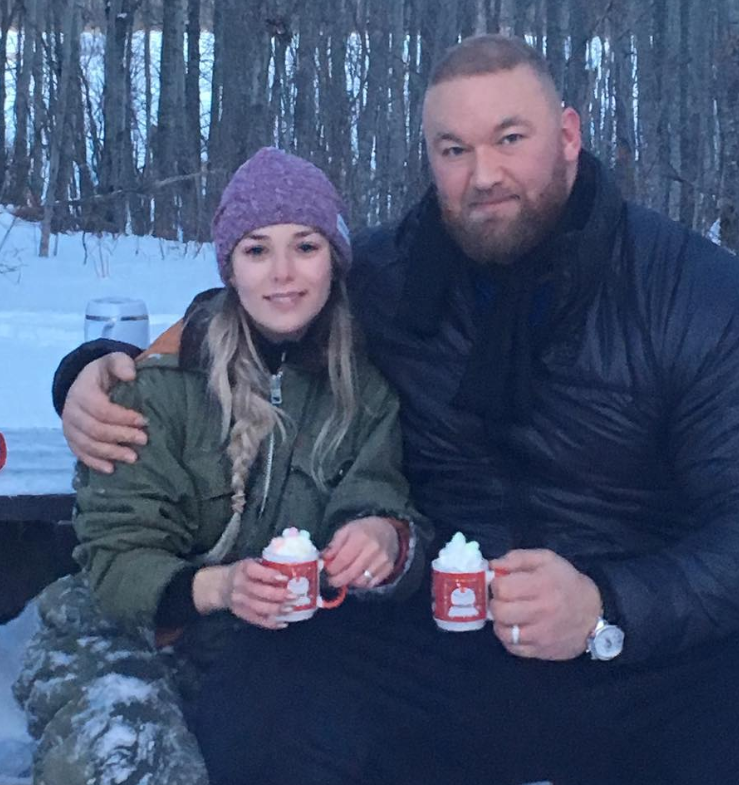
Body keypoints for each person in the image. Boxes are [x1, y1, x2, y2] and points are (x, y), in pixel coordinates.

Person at [48, 35, 739, 785]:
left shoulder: (705, 296)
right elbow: (255, 304)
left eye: (511, 139)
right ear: (431, 160)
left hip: (646, 641)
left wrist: (609, 603)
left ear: (569, 136)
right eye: (455, 149)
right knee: (262, 703)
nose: (483, 174)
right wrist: (93, 371)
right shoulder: (384, 275)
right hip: (435, 630)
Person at [14, 148, 429, 785]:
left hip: (268, 649)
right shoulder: (156, 385)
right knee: (134, 758)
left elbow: (377, 491)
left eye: (306, 246)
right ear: (229, 267)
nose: (283, 274)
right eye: (257, 250)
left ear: (336, 261)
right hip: (121, 639)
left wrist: (379, 537)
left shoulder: (363, 388)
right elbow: (115, 556)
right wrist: (221, 588)